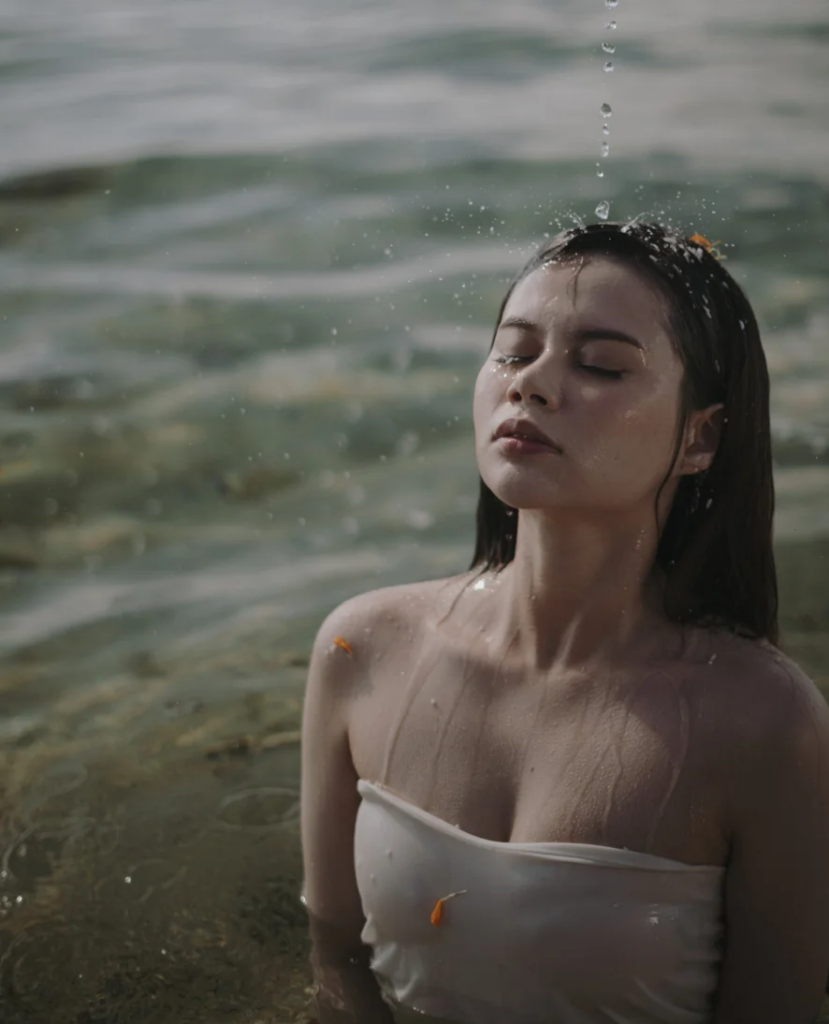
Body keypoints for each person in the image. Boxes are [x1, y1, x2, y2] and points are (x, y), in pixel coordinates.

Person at [299, 221, 829, 1024]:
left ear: (701, 436)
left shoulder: (763, 722)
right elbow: (335, 961)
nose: (532, 385)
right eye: (513, 353)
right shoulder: (363, 649)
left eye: (601, 365)